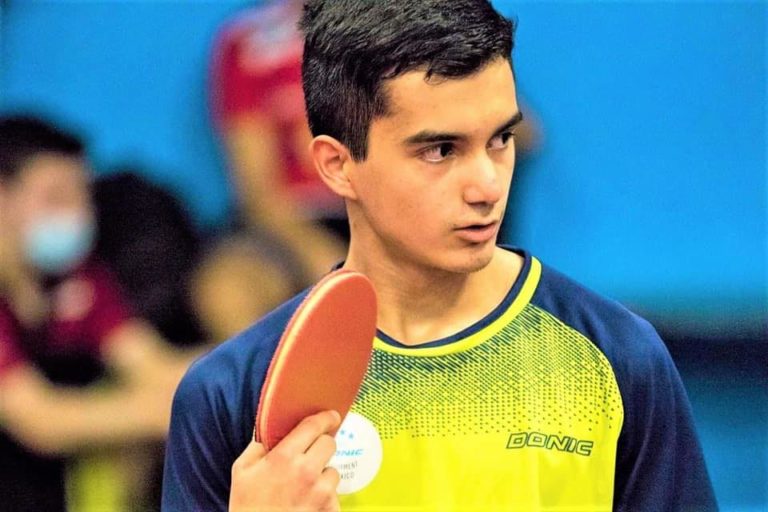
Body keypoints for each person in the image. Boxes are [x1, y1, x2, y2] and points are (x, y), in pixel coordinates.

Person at [162, 1, 717, 510]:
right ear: (337, 165)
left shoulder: (616, 358)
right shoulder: (230, 394)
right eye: (441, 149)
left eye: (500, 140)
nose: (487, 186)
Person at [0, 115, 199, 511]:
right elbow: (39, 421)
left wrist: (255, 364)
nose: (78, 214)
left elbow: (152, 364)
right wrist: (166, 410)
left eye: (83, 195)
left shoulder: (79, 277)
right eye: (56, 196)